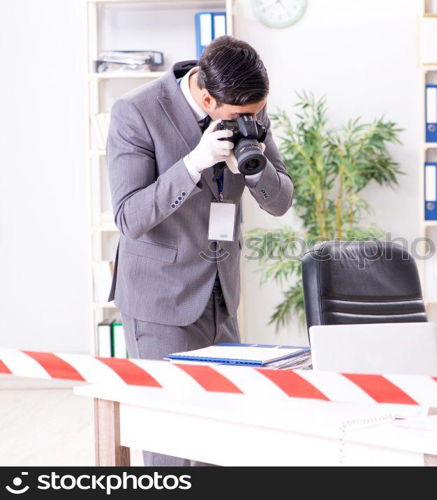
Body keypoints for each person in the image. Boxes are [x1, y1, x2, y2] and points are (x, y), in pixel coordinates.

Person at [106, 36, 293, 466]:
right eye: (240, 116)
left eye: (256, 112)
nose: (252, 120)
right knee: (172, 443)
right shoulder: (135, 112)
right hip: (161, 298)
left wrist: (255, 167)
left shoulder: (249, 105)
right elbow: (129, 217)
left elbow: (280, 201)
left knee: (222, 435)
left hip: (221, 294)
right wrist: (193, 164)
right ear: (207, 98)